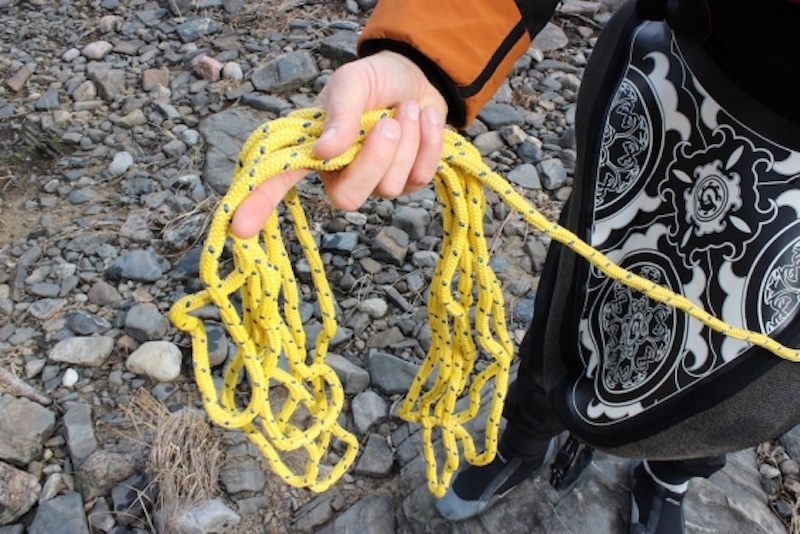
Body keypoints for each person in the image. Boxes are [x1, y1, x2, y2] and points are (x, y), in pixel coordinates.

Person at [232, 0, 800, 532]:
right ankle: (525, 440)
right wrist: (426, 57)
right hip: (675, 69)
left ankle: (670, 472)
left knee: (744, 360)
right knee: (581, 285)